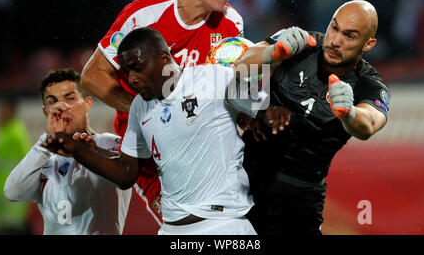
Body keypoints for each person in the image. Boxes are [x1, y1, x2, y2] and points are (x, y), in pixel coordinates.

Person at [80, 0, 243, 226]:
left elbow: (227, 88)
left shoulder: (232, 24)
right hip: (147, 156)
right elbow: (92, 76)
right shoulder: (145, 14)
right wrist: (148, 115)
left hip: (200, 150)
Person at [43, 27, 264, 235]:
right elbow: (125, 173)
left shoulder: (213, 78)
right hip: (171, 230)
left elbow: (266, 110)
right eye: (127, 72)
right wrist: (77, 150)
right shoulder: (140, 106)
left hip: (223, 227)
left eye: (137, 68)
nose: (132, 79)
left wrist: (263, 115)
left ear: (164, 59)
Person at [233, 0, 390, 235]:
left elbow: (368, 125)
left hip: (298, 202)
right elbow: (240, 66)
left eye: (349, 36)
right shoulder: (302, 43)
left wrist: (349, 112)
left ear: (368, 44)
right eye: (334, 28)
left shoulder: (368, 85)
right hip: (242, 182)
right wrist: (271, 52)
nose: (335, 41)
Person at [4, 69, 132, 235]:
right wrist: (47, 139)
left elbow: (124, 176)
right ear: (46, 112)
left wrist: (91, 152)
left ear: (88, 103)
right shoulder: (44, 159)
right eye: (52, 102)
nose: (61, 107)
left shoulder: (109, 144)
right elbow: (13, 191)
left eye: (70, 98)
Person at [0, 98, 30, 234]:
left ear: (12, 111)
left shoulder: (13, 134)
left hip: (10, 196)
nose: (0, 113)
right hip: (4, 195)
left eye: (3, 110)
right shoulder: (7, 132)